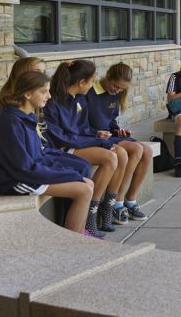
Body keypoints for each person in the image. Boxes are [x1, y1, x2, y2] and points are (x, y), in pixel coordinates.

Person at [0, 70, 95, 235]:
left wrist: (67, 172)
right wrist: (71, 176)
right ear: (27, 94)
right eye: (43, 91)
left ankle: (77, 236)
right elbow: (24, 169)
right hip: (9, 180)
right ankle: (72, 245)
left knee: (86, 183)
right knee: (83, 189)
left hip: (25, 172)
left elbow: (39, 157)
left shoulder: (26, 117)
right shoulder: (10, 123)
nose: (49, 96)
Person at [44, 60, 132, 237]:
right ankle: (91, 215)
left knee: (120, 153)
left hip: (75, 142)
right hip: (61, 148)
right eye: (92, 81)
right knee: (110, 157)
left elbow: (82, 129)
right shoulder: (54, 102)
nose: (93, 85)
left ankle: (106, 207)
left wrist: (97, 134)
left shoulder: (79, 100)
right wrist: (96, 141)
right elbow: (61, 137)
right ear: (81, 82)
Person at [85, 63, 150, 222]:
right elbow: (81, 122)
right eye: (115, 86)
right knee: (135, 149)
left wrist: (118, 130)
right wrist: (98, 133)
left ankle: (130, 199)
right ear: (107, 76)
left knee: (147, 151)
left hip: (109, 134)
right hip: (95, 137)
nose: (117, 91)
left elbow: (110, 120)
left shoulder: (114, 93)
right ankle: (116, 203)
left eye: (121, 89)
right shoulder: (89, 92)